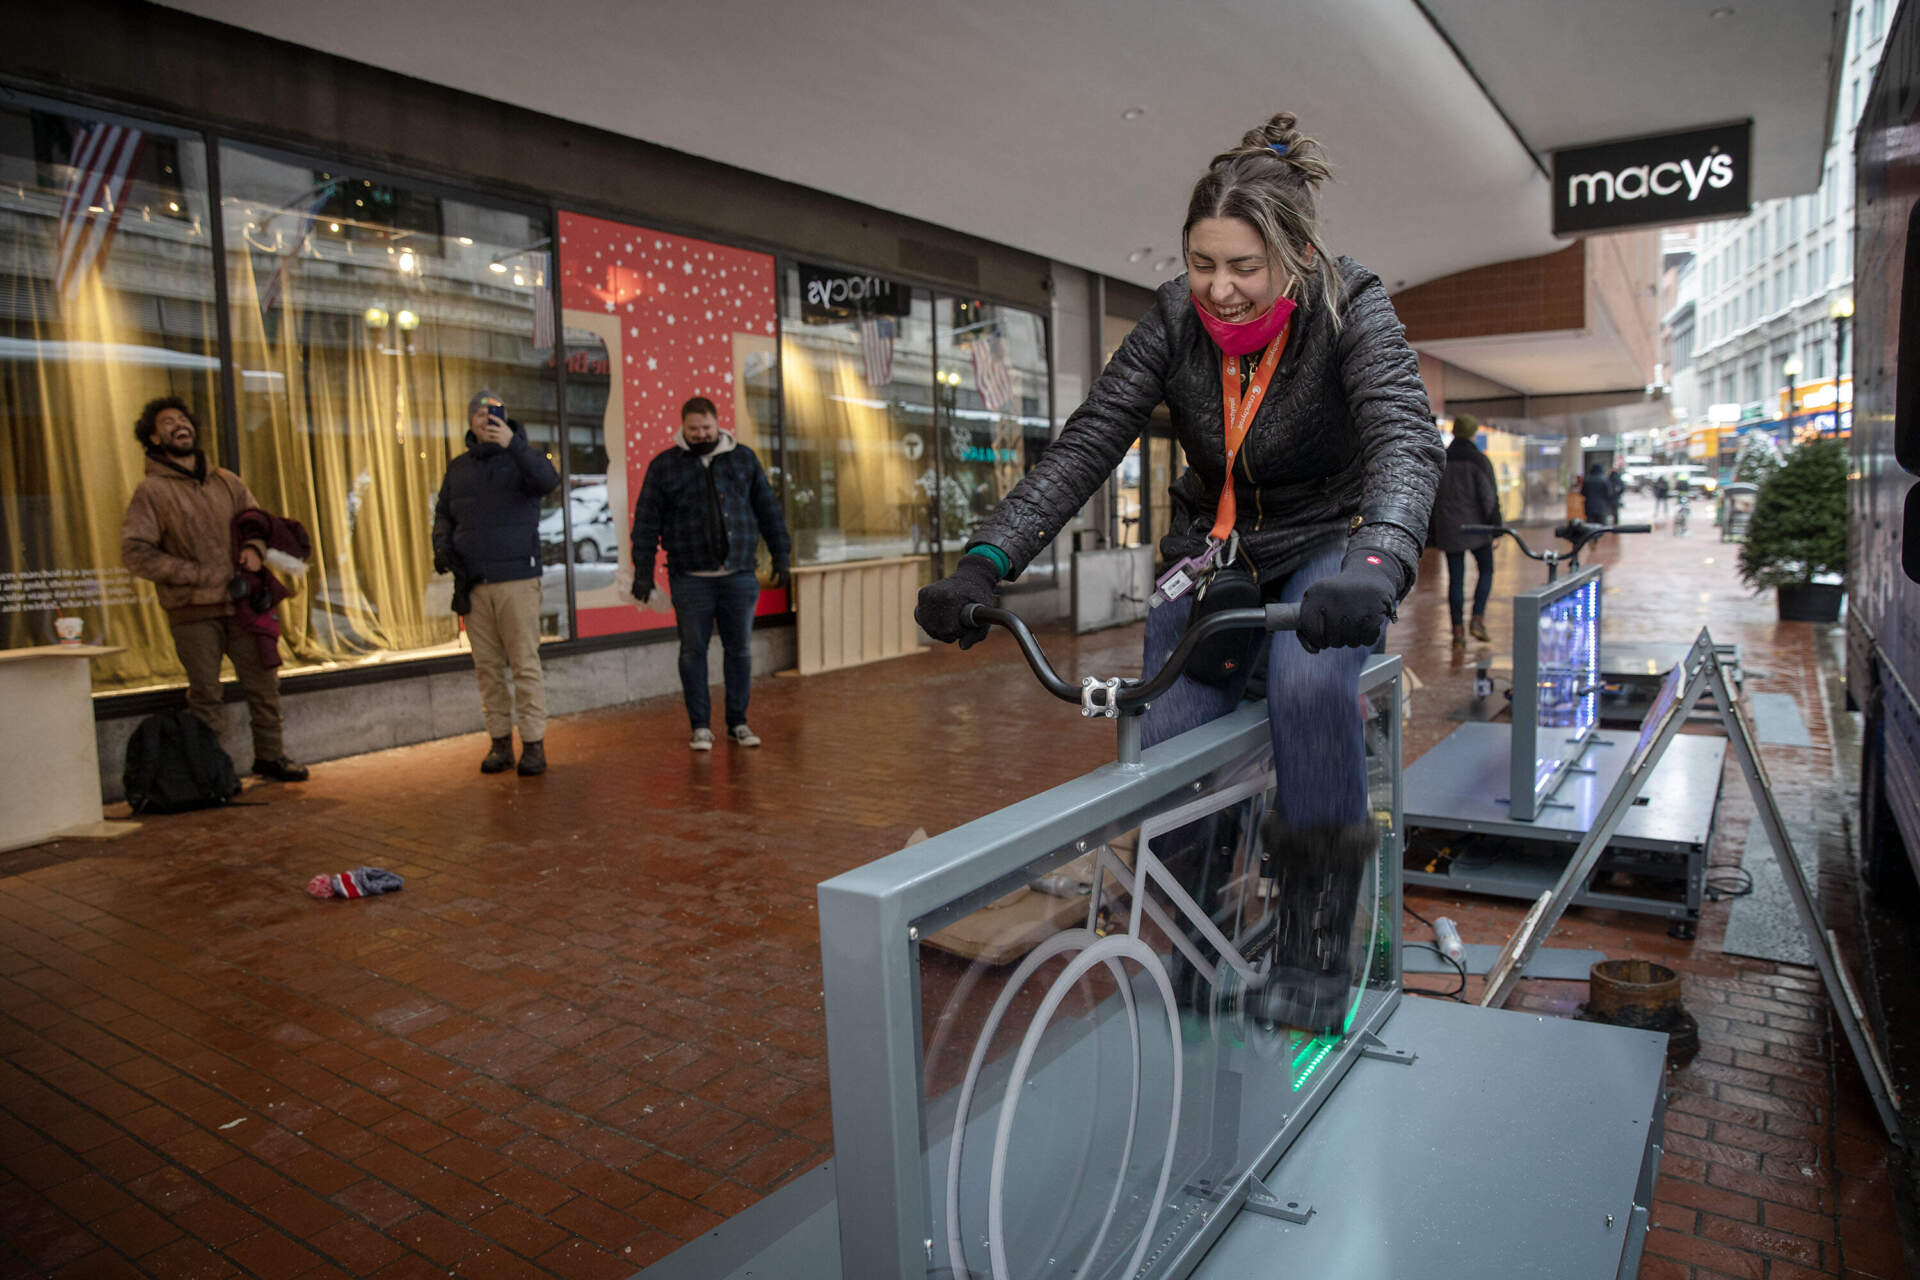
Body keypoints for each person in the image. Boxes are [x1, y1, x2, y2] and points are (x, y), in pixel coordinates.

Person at [915, 112, 1443, 1033]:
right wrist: (987, 560)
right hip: (1215, 550)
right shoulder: (1172, 318)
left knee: (1308, 685)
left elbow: (1404, 435)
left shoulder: (1351, 306)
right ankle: (1205, 933)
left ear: (1299, 254)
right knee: (1167, 749)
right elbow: (1088, 442)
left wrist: (1378, 561)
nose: (1222, 290)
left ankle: (1317, 947)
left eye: (1245, 267)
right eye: (1204, 264)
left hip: (1326, 539)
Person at [121, 396, 309, 782]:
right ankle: (210, 773)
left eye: (183, 419)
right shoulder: (151, 492)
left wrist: (255, 551)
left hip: (242, 605)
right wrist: (195, 573)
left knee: (263, 684)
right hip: (192, 610)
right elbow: (136, 554)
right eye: (168, 422)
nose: (179, 425)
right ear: (154, 439)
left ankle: (271, 757)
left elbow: (257, 521)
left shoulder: (227, 480)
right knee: (206, 695)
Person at [630, 395, 791, 751]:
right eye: (693, 429)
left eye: (706, 428)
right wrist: (642, 571)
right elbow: (645, 522)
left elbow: (768, 510)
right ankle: (700, 726)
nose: (701, 434)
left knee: (740, 651)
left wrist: (781, 554)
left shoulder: (743, 459)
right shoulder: (664, 466)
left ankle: (738, 722)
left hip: (739, 575)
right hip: (689, 579)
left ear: (718, 424)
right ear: (682, 428)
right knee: (692, 652)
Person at [432, 390, 561, 776]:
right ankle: (500, 743)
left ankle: (534, 744)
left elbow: (547, 480)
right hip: (473, 583)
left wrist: (514, 446)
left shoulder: (524, 458)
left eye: (495, 415)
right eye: (481, 415)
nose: (487, 421)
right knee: (487, 668)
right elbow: (443, 516)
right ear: (470, 421)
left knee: (524, 664)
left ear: (506, 418)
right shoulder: (458, 469)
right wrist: (443, 551)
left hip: (517, 579)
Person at [1430, 414, 1501, 647]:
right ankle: (1478, 618)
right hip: (1477, 528)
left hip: (1450, 529)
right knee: (1487, 570)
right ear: (1471, 434)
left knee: (1455, 581)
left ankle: (1457, 632)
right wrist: (1496, 528)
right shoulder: (1478, 460)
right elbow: (1489, 497)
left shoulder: (1442, 460)